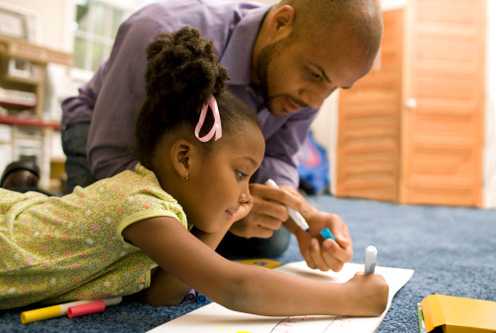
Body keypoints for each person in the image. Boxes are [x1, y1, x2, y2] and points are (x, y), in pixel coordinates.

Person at [0, 28, 388, 316]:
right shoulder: (140, 203)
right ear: (185, 158)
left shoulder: (156, 211)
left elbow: (162, 294)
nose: (248, 195)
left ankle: (20, 185)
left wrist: (223, 220)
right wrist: (347, 299)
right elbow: (235, 286)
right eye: (240, 174)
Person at [61, 0, 383, 265]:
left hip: (204, 167)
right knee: (107, 248)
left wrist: (300, 215)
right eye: (314, 75)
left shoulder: (309, 87)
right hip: (105, 135)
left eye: (333, 88)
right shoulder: (158, 29)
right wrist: (221, 210)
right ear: (281, 22)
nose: (314, 100)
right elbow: (110, 155)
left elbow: (279, 156)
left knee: (270, 241)